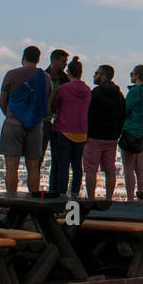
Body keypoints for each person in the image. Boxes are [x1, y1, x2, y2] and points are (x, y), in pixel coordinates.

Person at [0, 46, 50, 193]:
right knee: (33, 166)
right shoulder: (45, 78)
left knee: (11, 166)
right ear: (38, 59)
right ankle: (33, 201)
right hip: (35, 125)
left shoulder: (11, 75)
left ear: (23, 57)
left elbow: (2, 101)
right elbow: (45, 101)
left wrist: (10, 115)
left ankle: (12, 199)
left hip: (13, 123)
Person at [50, 56, 91, 196]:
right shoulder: (87, 90)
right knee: (77, 165)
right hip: (81, 131)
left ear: (68, 72)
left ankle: (61, 193)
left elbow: (54, 106)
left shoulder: (63, 89)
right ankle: (74, 194)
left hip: (63, 129)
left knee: (63, 164)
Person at [84, 64, 126, 200]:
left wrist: (88, 132)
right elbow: (122, 115)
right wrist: (117, 133)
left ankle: (91, 199)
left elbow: (87, 113)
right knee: (110, 169)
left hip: (95, 137)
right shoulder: (119, 94)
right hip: (112, 137)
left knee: (91, 169)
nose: (94, 76)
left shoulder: (95, 93)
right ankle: (109, 199)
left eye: (96, 73)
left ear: (103, 76)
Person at [120, 65, 143, 200]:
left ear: (138, 75)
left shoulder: (134, 92)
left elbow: (125, 109)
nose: (130, 76)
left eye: (132, 73)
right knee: (140, 169)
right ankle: (142, 197)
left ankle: (130, 199)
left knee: (128, 168)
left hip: (130, 131)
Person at [38, 48, 69, 184]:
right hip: (44, 120)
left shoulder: (65, 79)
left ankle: (54, 188)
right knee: (38, 157)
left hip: (58, 123)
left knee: (57, 159)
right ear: (54, 60)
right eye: (63, 62)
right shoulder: (42, 76)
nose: (64, 65)